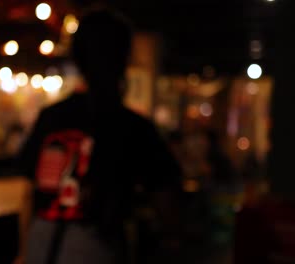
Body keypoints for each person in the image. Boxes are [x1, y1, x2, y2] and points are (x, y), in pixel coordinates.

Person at [19, 8, 182, 264]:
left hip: (42, 242)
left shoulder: (51, 117)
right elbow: (166, 197)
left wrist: (24, 250)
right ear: (124, 58)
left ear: (77, 56)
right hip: (97, 245)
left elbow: (29, 193)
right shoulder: (133, 126)